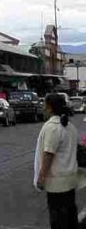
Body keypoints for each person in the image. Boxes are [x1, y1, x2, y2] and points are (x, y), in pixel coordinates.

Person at [34, 93, 79, 229]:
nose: (42, 107)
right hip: (69, 181)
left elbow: (48, 154)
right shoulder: (70, 126)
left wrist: (41, 177)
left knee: (59, 221)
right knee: (70, 218)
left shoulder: (52, 127)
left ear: (49, 107)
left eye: (44, 105)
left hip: (57, 184)